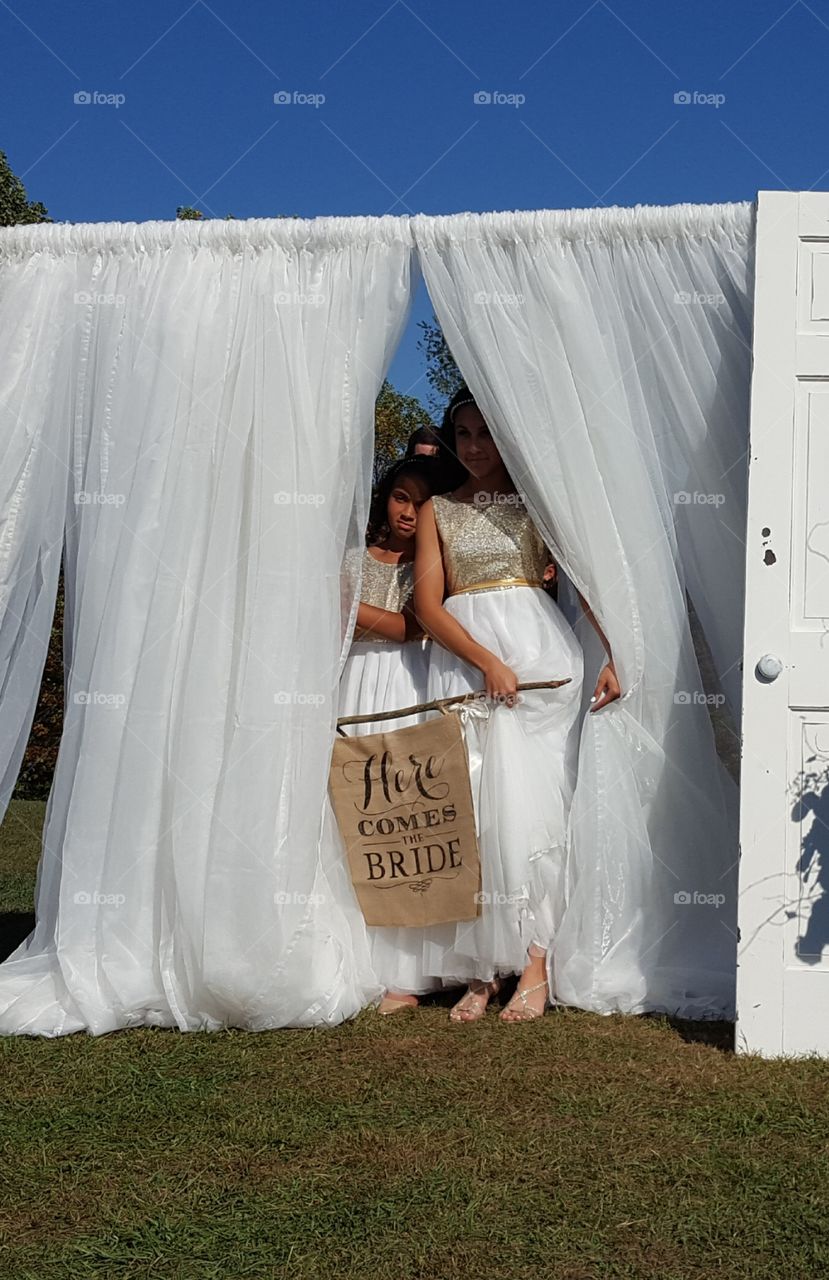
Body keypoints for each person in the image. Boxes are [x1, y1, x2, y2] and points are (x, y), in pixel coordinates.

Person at [413, 387, 621, 1023]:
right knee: (473, 813)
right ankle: (482, 965)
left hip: (541, 662)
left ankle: (535, 956)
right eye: (464, 434)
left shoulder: (537, 503)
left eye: (485, 433)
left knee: (532, 812)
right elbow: (426, 604)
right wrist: (485, 660)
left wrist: (614, 652)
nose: (475, 447)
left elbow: (583, 581)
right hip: (464, 665)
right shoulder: (437, 510)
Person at [337, 455, 443, 1014]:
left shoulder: (427, 562)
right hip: (352, 680)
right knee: (348, 810)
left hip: (406, 683)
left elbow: (411, 628)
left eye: (422, 502)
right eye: (401, 497)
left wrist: (349, 609)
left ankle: (406, 970)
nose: (409, 511)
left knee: (399, 818)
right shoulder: (353, 557)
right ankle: (351, 953)